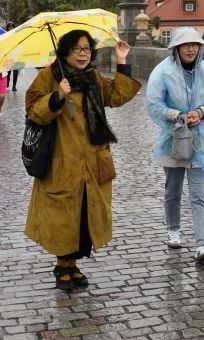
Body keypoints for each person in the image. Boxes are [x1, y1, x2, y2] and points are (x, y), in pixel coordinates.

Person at [25, 31, 140, 290]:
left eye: (87, 49)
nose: (82, 54)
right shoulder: (49, 76)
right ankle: (61, 265)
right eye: (76, 49)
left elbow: (117, 96)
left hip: (92, 159)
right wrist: (57, 96)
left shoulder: (93, 77)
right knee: (64, 216)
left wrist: (122, 62)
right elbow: (34, 111)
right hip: (62, 159)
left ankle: (73, 264)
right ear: (65, 51)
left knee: (84, 215)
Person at [146, 27, 204, 262]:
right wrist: (177, 115)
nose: (191, 49)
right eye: (186, 45)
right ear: (176, 48)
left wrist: (201, 113)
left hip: (201, 139)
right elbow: (154, 104)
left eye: (194, 44)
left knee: (199, 194)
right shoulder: (162, 72)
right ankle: (173, 230)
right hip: (173, 138)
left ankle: (202, 245)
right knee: (172, 189)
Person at [6, 22, 20, 91]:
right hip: (8, 56)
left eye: (12, 27)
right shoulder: (5, 35)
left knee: (15, 71)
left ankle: (14, 86)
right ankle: (7, 82)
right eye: (9, 27)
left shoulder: (17, 35)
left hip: (16, 55)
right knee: (8, 71)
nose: (11, 28)